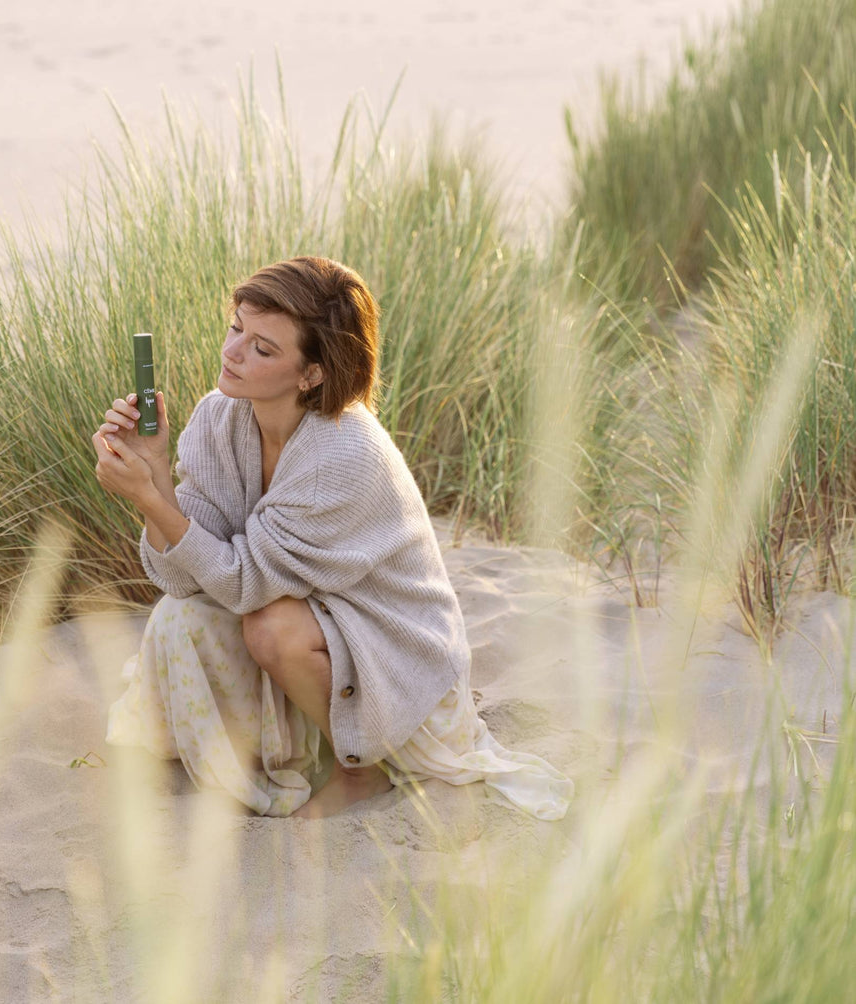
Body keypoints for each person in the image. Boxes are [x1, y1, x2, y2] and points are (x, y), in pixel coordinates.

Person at [94, 256, 573, 820]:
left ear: (312, 374)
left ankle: (359, 771)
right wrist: (154, 477)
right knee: (178, 617)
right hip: (301, 611)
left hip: (382, 633)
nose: (232, 352)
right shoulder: (219, 418)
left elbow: (244, 585)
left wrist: (149, 499)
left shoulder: (342, 453)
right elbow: (183, 576)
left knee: (271, 628)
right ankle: (301, 738)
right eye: (235, 328)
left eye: (263, 348)